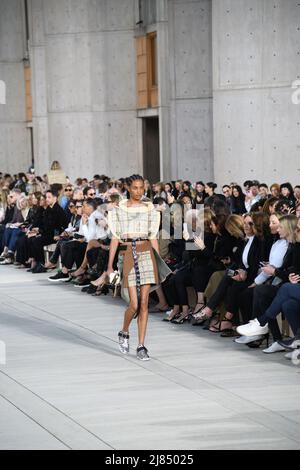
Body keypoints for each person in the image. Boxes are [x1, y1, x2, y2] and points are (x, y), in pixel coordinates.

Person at [106, 174, 172, 361]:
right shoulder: (119, 209)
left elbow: (152, 236)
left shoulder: (149, 208)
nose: (138, 191)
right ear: (128, 188)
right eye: (134, 187)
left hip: (146, 253)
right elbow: (115, 239)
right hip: (127, 253)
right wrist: (109, 266)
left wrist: (159, 261)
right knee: (133, 304)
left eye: (141, 188)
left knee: (144, 303)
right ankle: (124, 331)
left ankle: (141, 345)